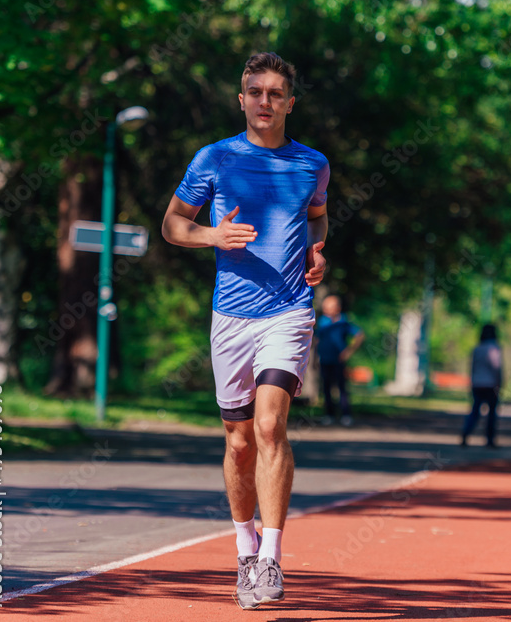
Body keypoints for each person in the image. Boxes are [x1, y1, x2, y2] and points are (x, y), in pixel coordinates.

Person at [161, 52, 329, 611]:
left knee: (270, 426)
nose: (265, 102)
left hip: (288, 310)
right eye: (255, 92)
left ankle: (272, 558)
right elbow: (173, 225)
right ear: (242, 100)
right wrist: (213, 237)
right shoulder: (215, 158)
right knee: (237, 444)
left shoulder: (313, 164)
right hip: (231, 316)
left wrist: (317, 250)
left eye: (275, 94)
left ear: (290, 103)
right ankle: (244, 544)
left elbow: (318, 215)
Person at [314, 294, 365, 426]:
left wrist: (348, 351)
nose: (326, 310)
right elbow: (317, 339)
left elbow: (359, 335)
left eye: (329, 307)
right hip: (324, 360)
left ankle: (346, 415)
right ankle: (328, 415)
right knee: (326, 388)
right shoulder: (322, 322)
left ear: (337, 308)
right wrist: (315, 357)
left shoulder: (344, 322)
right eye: (325, 307)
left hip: (339, 361)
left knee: (342, 388)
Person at [460, 324, 503, 447]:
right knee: (491, 413)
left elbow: (472, 368)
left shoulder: (477, 349)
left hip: (477, 384)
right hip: (491, 385)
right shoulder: (494, 348)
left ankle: (466, 433)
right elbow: (496, 368)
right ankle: (490, 439)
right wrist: (499, 382)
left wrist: (472, 382)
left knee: (475, 411)